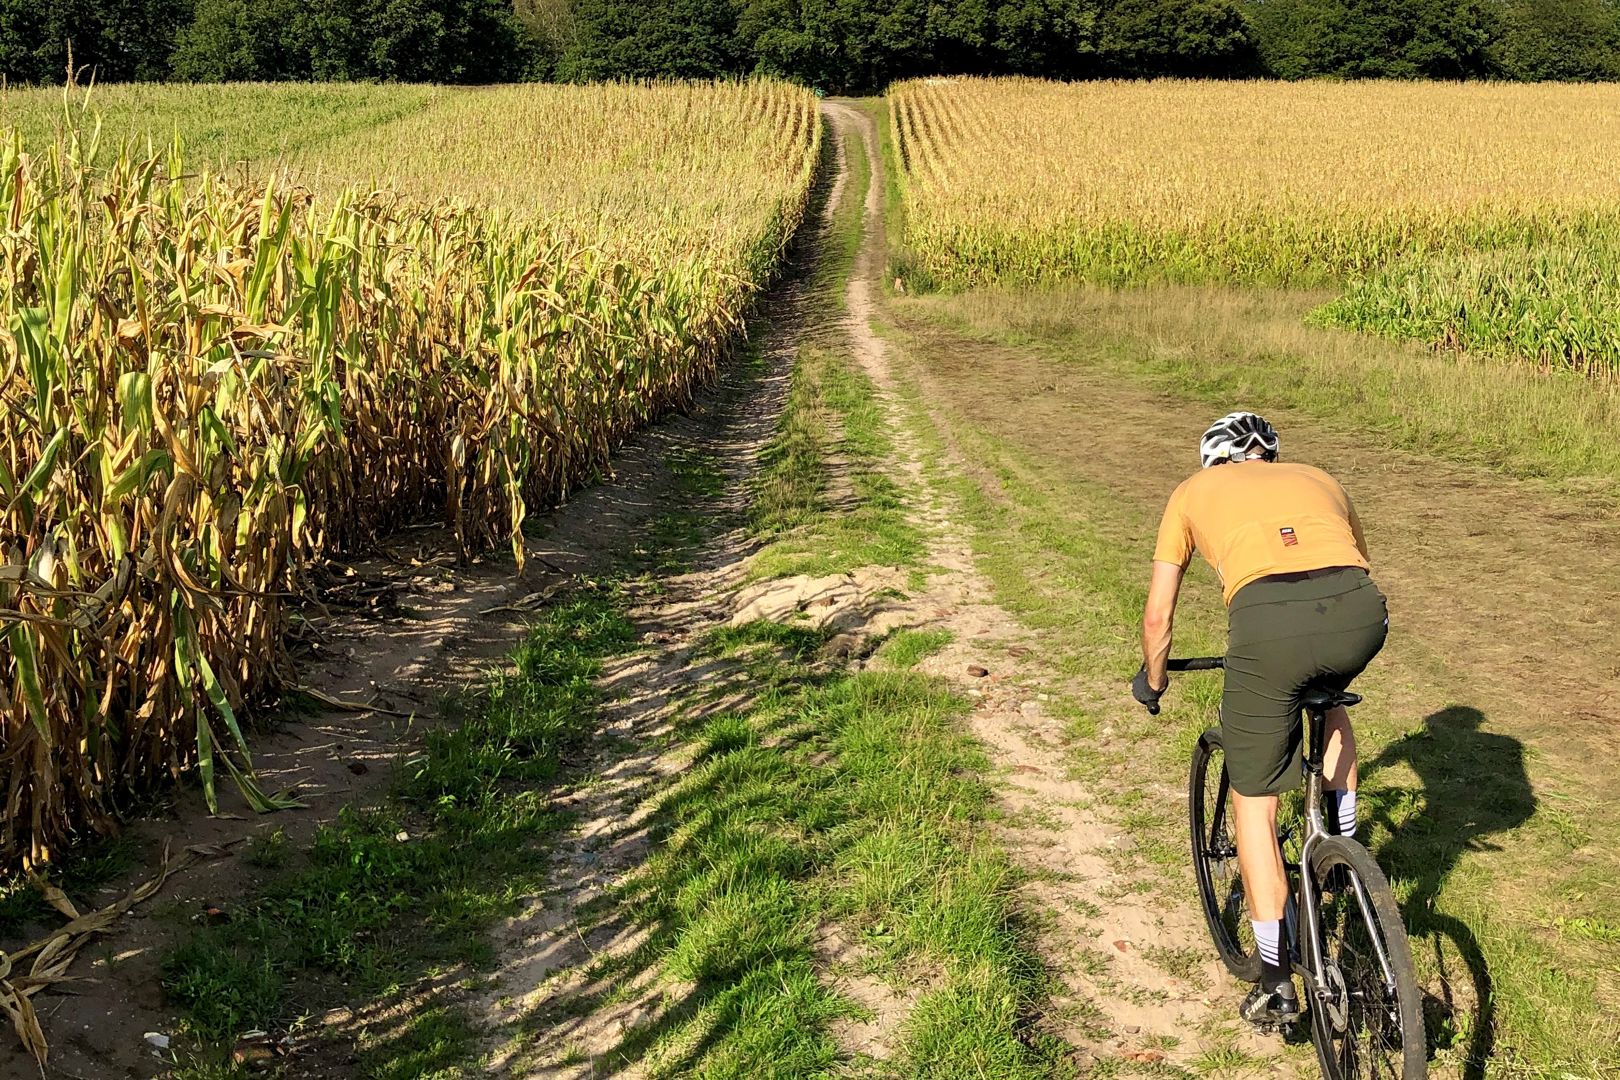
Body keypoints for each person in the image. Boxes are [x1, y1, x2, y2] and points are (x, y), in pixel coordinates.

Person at [1131, 412, 1388, 1027]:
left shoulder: (1191, 492)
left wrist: (1154, 680)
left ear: (1212, 460)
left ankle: (1275, 980)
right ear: (1270, 455)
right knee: (1327, 694)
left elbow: (1158, 617)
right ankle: (1342, 840)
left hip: (1268, 627)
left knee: (1255, 805)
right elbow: (1357, 561)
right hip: (1360, 615)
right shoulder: (1318, 476)